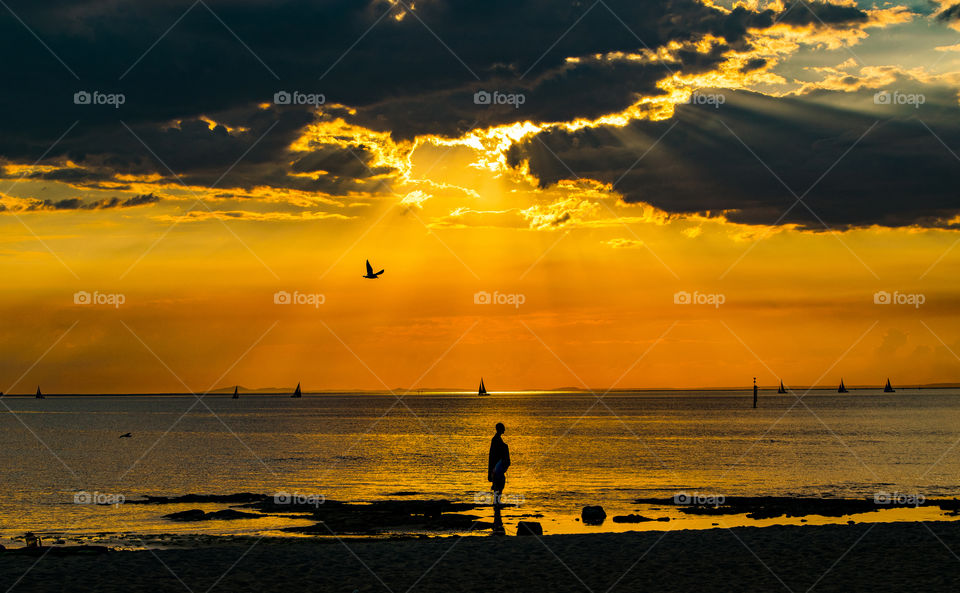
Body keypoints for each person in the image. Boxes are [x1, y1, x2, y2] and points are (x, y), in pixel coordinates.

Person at [488, 422, 510, 507]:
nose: (504, 430)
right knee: (499, 483)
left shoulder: (497, 439)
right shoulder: (496, 439)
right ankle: (496, 502)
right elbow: (496, 452)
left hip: (496, 465)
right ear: (500, 429)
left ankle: (497, 501)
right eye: (503, 428)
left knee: (499, 483)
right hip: (496, 465)